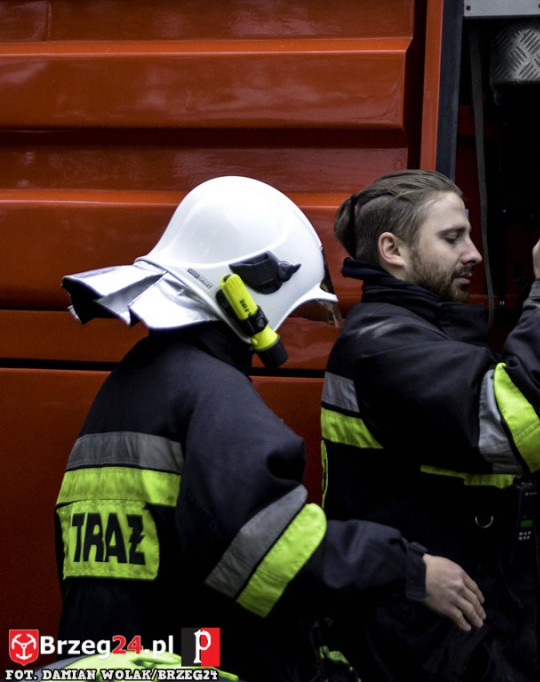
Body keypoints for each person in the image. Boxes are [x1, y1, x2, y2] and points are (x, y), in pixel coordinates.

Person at [54, 176, 485, 682]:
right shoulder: (212, 392)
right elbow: (272, 550)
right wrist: (410, 571)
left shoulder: (130, 386)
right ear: (249, 287)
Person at [319, 169, 540, 682]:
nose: (474, 254)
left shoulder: (417, 334)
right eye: (452, 238)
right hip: (428, 645)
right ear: (392, 249)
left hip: (454, 633)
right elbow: (520, 426)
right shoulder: (385, 347)